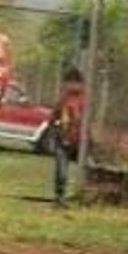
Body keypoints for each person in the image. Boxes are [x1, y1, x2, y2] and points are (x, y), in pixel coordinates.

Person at [50, 67, 86, 205]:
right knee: (61, 171)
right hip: (63, 139)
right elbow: (53, 118)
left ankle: (83, 194)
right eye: (68, 83)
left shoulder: (84, 99)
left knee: (87, 168)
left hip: (80, 141)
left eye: (74, 83)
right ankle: (60, 196)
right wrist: (56, 130)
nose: (71, 86)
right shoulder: (63, 99)